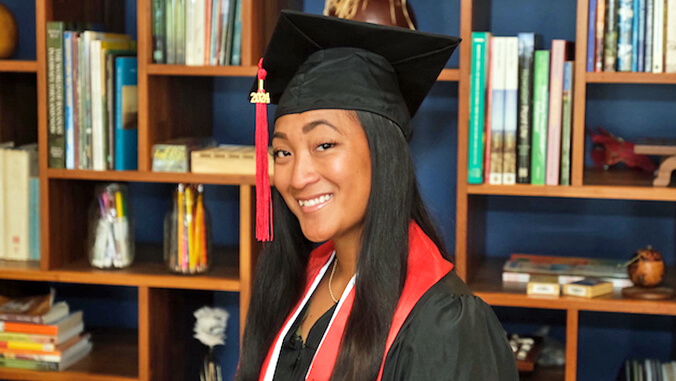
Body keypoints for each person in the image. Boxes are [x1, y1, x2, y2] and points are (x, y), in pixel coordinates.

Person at [237, 10, 518, 381]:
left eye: (324, 144)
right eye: (283, 152)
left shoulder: (445, 324)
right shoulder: (295, 279)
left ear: (384, 153)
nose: (298, 177)